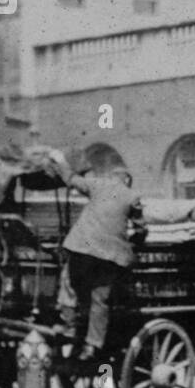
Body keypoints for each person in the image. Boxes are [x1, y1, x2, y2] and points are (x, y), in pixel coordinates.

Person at [49, 153, 145, 374]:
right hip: (110, 257)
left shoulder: (98, 184)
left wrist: (60, 161)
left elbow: (71, 179)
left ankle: (70, 325)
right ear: (128, 179)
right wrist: (133, 244)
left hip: (81, 248)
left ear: (113, 176)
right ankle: (93, 345)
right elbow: (141, 230)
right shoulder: (132, 196)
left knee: (69, 285)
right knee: (99, 299)